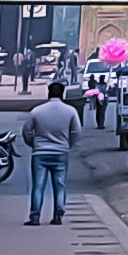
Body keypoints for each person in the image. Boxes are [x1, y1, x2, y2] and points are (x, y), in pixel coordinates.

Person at [22, 81, 79, 224]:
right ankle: (58, 216)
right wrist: (69, 144)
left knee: (38, 185)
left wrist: (34, 144)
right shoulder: (70, 111)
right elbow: (77, 131)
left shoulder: (37, 111)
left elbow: (26, 131)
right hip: (61, 152)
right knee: (60, 184)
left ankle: (35, 216)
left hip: (40, 153)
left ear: (48, 93)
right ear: (62, 93)